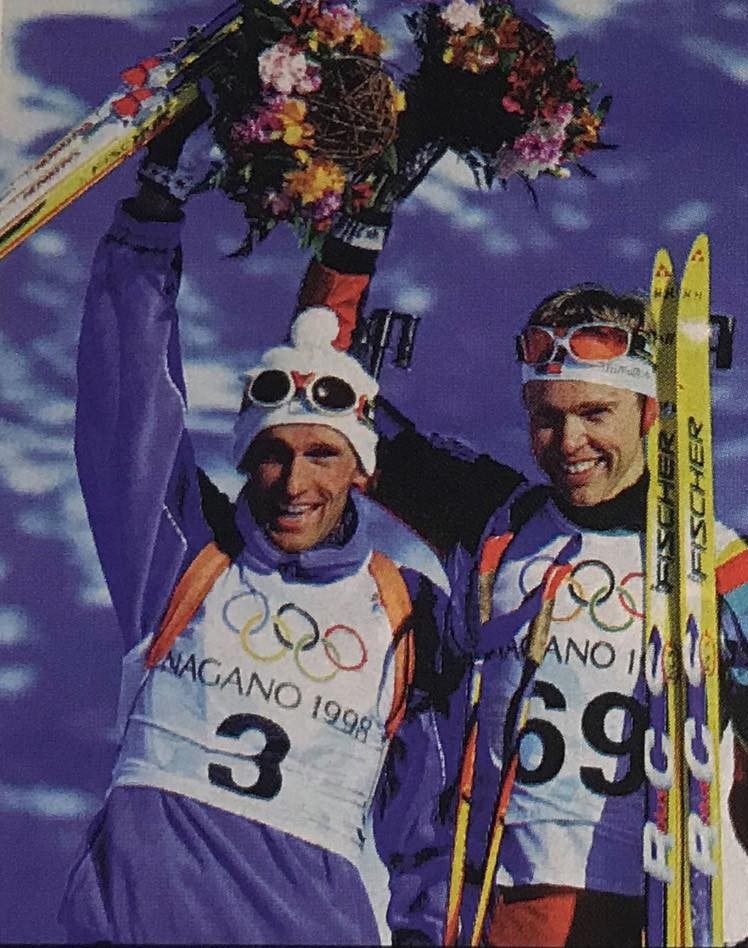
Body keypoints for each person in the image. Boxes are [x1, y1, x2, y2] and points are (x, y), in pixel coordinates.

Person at [296, 224, 748, 945]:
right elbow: (322, 392)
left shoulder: (729, 568)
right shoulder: (492, 517)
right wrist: (356, 232)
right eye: (546, 418)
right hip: (481, 906)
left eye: (596, 414)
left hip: (640, 913)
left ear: (651, 412)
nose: (569, 445)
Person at [59, 117, 456, 944]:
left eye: (322, 455)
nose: (295, 483)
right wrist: (154, 213)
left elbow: (432, 816)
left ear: (360, 469)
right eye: (272, 455)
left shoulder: (402, 607)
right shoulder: (183, 555)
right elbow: (127, 403)